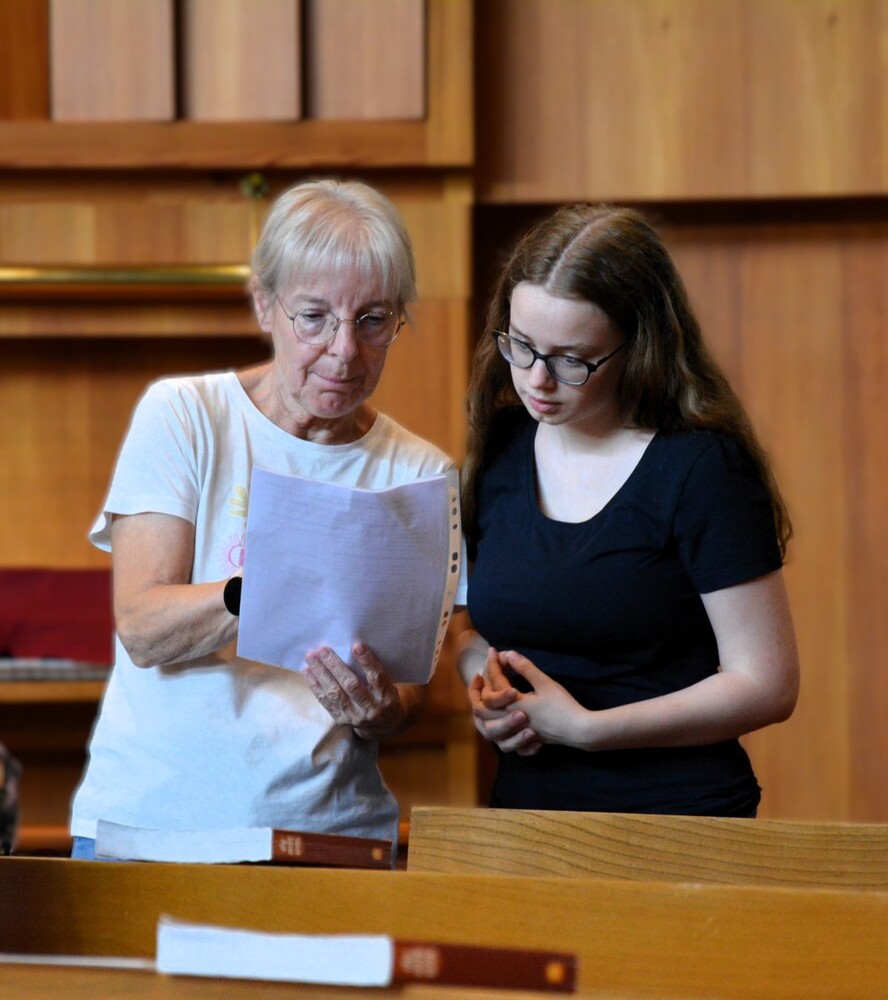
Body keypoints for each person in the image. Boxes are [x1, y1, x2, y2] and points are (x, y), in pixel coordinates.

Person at [70, 178, 467, 859]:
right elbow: (142, 627)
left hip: (326, 831)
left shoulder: (421, 472)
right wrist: (266, 589)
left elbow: (414, 682)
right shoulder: (186, 415)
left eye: (373, 320)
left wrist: (384, 710)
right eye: (314, 317)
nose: (344, 350)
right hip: (150, 824)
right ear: (264, 303)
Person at [459, 204, 799, 817]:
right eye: (522, 346)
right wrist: (482, 687)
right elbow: (470, 625)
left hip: (677, 820)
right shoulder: (502, 446)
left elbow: (767, 685)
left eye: (571, 359)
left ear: (639, 347)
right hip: (528, 815)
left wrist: (587, 729)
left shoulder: (701, 468)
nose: (537, 380)